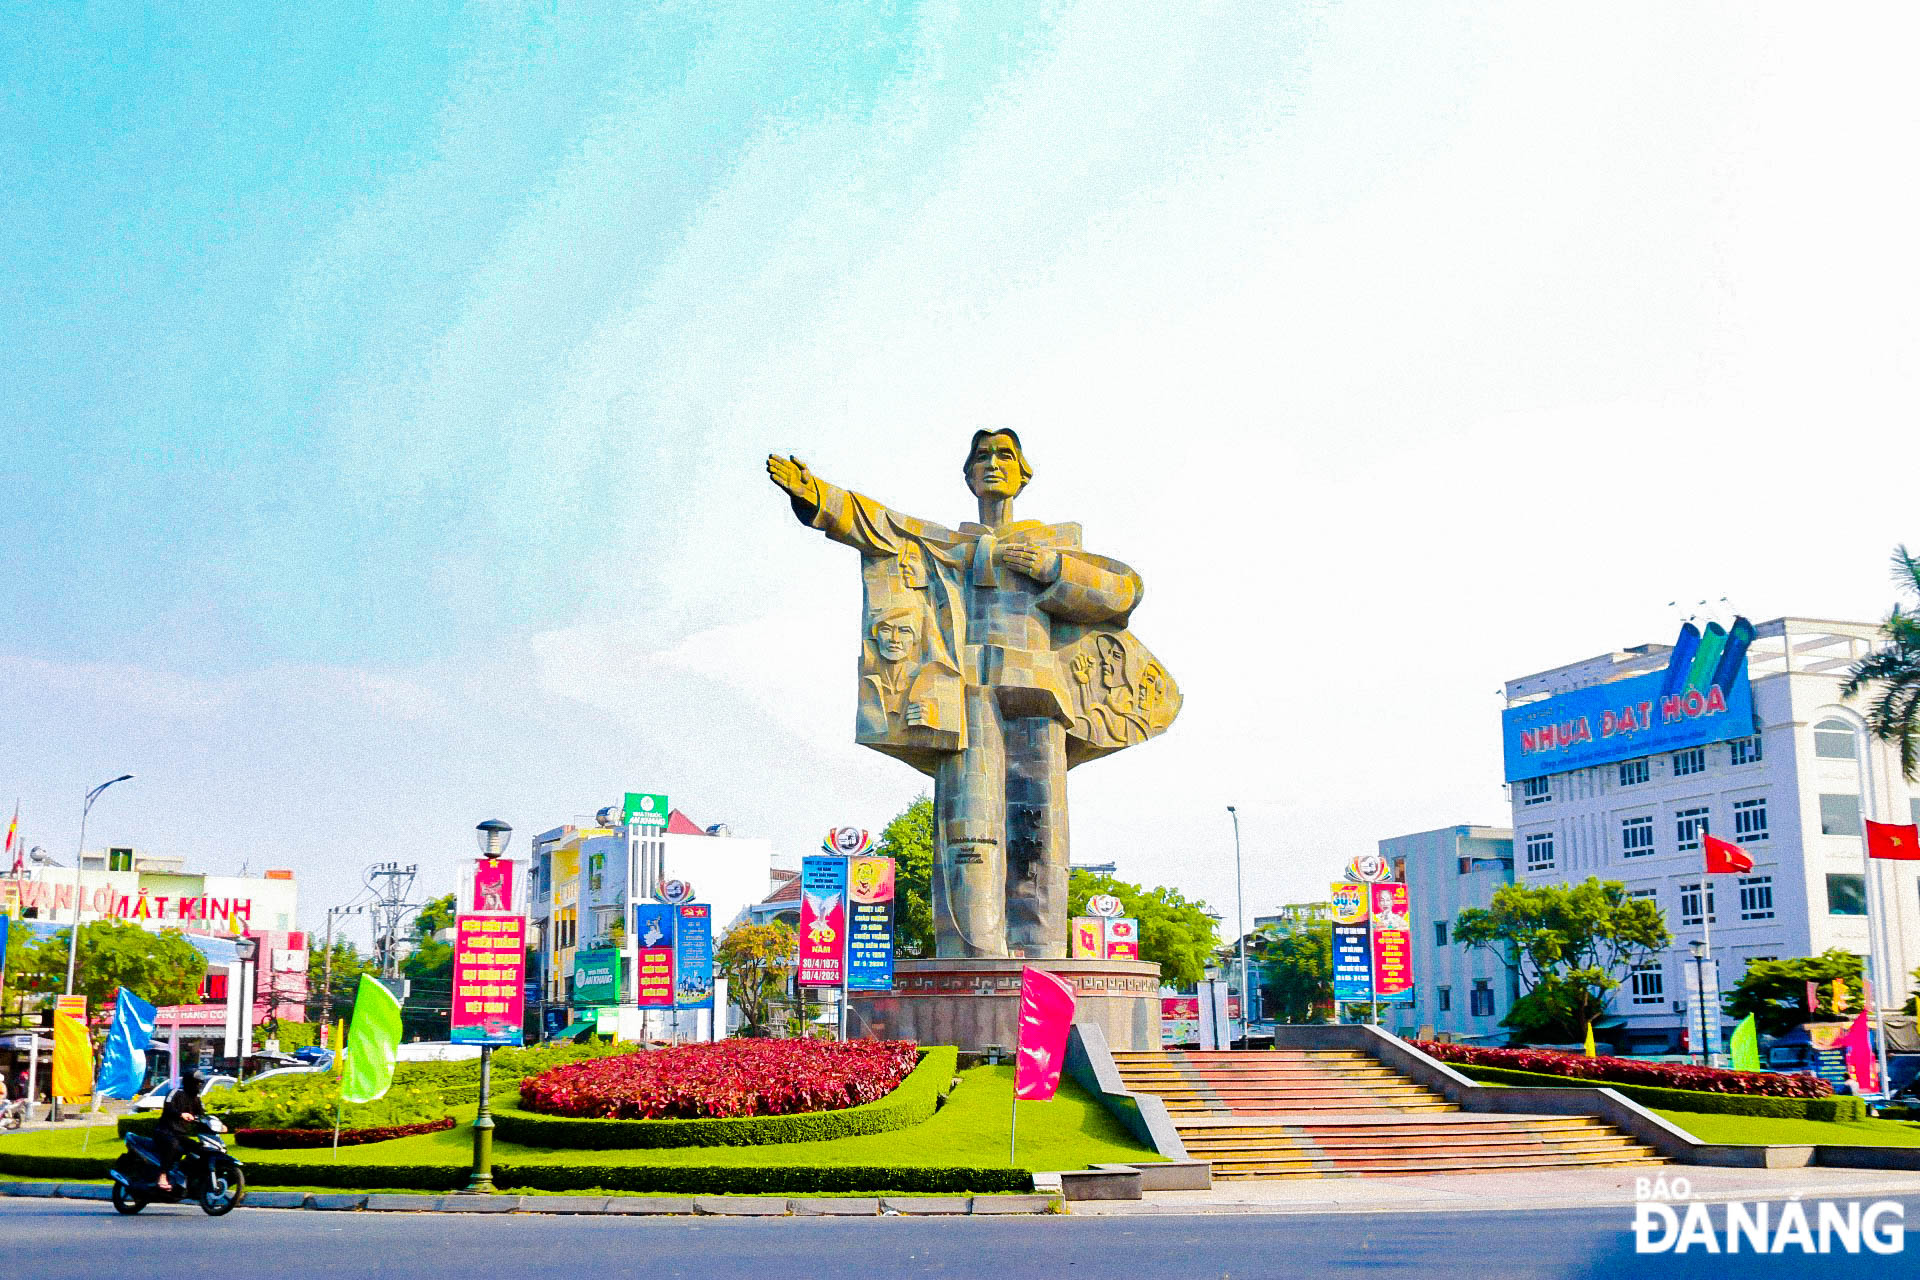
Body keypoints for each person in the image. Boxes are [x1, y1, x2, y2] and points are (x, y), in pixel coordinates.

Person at [152, 1074, 205, 1192]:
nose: (199, 1086)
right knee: (173, 1145)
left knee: (201, 1148)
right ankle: (163, 1176)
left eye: (201, 1084)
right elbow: (168, 1106)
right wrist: (181, 1114)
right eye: (197, 1083)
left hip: (180, 1135)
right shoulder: (175, 1092)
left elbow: (202, 1115)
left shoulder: (196, 1099)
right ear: (190, 1082)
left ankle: (186, 1176)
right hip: (164, 1131)